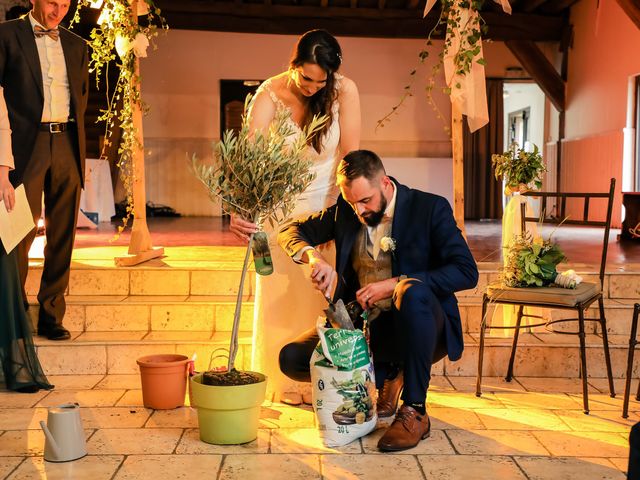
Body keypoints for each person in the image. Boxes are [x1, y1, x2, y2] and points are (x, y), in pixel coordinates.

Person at [277, 150, 479, 451]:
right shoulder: (346, 211)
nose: (358, 211)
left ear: (384, 183)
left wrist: (393, 284)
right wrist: (313, 257)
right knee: (291, 358)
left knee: (411, 291)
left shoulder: (430, 208)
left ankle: (415, 410)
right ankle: (384, 375)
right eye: (352, 202)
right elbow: (290, 230)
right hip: (366, 329)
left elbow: (466, 272)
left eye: (365, 201)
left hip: (420, 326)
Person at [229, 29, 361, 403]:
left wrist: (345, 216)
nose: (312, 87)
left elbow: (350, 158)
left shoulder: (344, 91)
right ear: (293, 65)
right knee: (279, 295)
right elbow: (247, 163)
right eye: (306, 78)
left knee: (317, 295)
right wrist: (239, 211)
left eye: (321, 81)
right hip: (275, 216)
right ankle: (279, 377)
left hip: (325, 210)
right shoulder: (269, 93)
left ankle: (323, 380)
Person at [0, 0, 89, 341]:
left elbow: (79, 101)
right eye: (53, 3)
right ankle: (15, 313)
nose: (58, 12)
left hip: (66, 143)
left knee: (62, 234)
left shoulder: (76, 45)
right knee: (17, 233)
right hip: (26, 145)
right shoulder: (7, 36)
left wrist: (80, 155)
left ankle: (51, 314)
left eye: (65, 5)